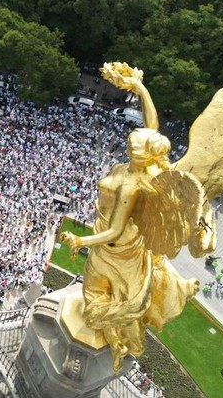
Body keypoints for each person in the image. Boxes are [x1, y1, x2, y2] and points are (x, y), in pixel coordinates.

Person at [60, 63, 201, 372]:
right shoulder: (148, 168)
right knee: (110, 298)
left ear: (138, 152)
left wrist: (80, 239)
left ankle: (120, 344)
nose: (130, 139)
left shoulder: (130, 185)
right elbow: (154, 127)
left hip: (114, 248)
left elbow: (113, 231)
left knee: (96, 298)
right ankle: (120, 342)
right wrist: (139, 88)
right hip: (122, 247)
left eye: (133, 141)